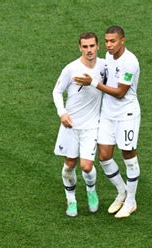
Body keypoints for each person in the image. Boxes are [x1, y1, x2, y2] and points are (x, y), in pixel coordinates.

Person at [74, 25, 141, 218]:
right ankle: (122, 192)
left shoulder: (130, 62)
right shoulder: (109, 57)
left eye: (113, 41)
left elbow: (120, 93)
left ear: (122, 41)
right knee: (104, 156)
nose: (109, 45)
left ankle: (131, 202)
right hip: (108, 115)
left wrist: (93, 83)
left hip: (126, 115)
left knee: (129, 155)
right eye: (106, 41)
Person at [52, 32, 106, 217]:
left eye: (92, 46)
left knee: (86, 166)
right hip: (71, 125)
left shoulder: (104, 66)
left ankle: (91, 192)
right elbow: (57, 91)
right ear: (80, 48)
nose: (89, 50)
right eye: (85, 46)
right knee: (69, 164)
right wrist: (62, 113)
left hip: (91, 126)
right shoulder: (71, 68)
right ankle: (72, 200)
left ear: (98, 46)